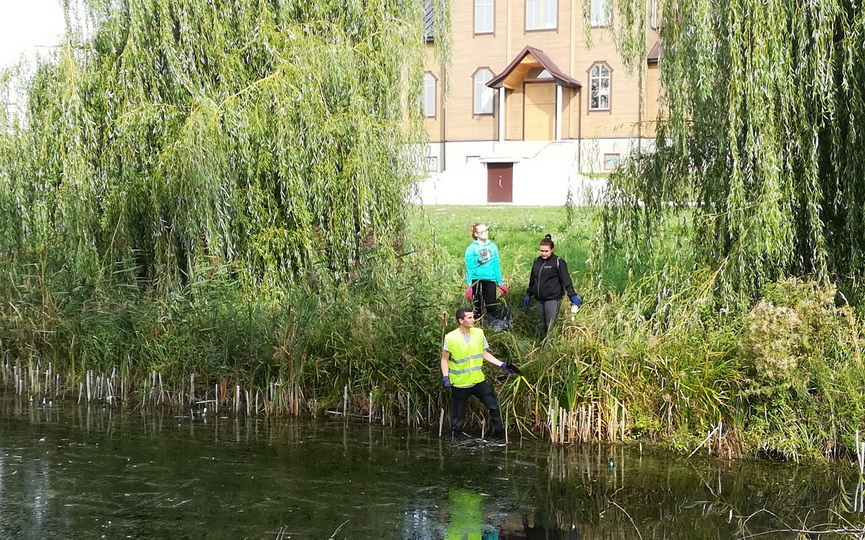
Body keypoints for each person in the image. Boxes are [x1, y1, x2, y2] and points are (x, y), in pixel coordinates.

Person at [441, 307, 513, 438]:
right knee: (458, 419)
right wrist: (445, 377)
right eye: (470, 318)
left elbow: (484, 353)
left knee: (494, 407)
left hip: (478, 381)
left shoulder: (479, 333)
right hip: (460, 384)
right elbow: (444, 359)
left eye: (473, 317)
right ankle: (455, 443)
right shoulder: (450, 337)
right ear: (461, 320)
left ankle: (501, 437)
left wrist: (502, 364)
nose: (473, 320)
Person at [523, 235, 582, 340]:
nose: (543, 253)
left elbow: (566, 280)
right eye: (541, 251)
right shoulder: (537, 261)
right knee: (542, 325)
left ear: (552, 250)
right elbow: (533, 279)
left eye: (546, 251)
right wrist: (528, 294)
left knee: (550, 326)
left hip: (553, 298)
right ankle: (542, 347)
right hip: (539, 299)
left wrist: (572, 296)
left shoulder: (558, 262)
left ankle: (550, 349)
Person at [464, 223, 508, 322]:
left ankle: (491, 326)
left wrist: (500, 282)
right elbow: (469, 267)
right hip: (476, 280)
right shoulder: (471, 249)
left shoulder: (493, 247)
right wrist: (469, 285)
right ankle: (477, 327)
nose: (485, 233)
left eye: (486, 230)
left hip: (490, 280)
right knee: (477, 308)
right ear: (476, 234)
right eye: (482, 232)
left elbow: (496, 264)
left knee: (491, 307)